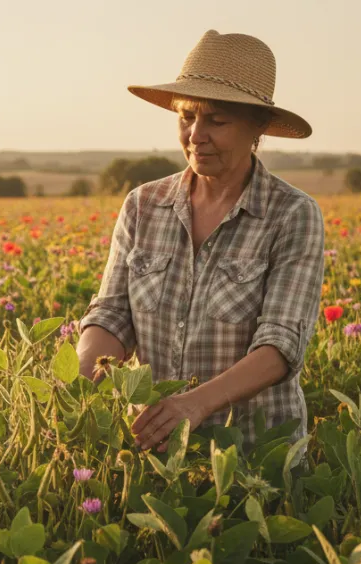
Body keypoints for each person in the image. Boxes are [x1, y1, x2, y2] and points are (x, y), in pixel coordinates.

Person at [77, 30, 325, 460]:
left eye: (217, 120)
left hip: (254, 455)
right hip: (154, 447)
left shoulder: (292, 214)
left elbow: (280, 347)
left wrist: (194, 404)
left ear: (258, 127)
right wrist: (78, 379)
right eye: (186, 116)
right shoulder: (143, 205)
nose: (195, 134)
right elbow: (113, 315)